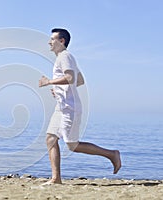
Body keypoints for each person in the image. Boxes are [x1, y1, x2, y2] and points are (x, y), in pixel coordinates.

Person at [39, 28, 121, 184]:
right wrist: (59, 90)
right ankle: (56, 179)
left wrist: (49, 82)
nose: (49, 42)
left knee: (72, 145)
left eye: (52, 39)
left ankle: (112, 154)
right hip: (62, 106)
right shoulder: (63, 58)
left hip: (70, 108)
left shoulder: (65, 56)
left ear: (61, 41)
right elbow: (79, 80)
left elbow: (70, 77)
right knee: (50, 139)